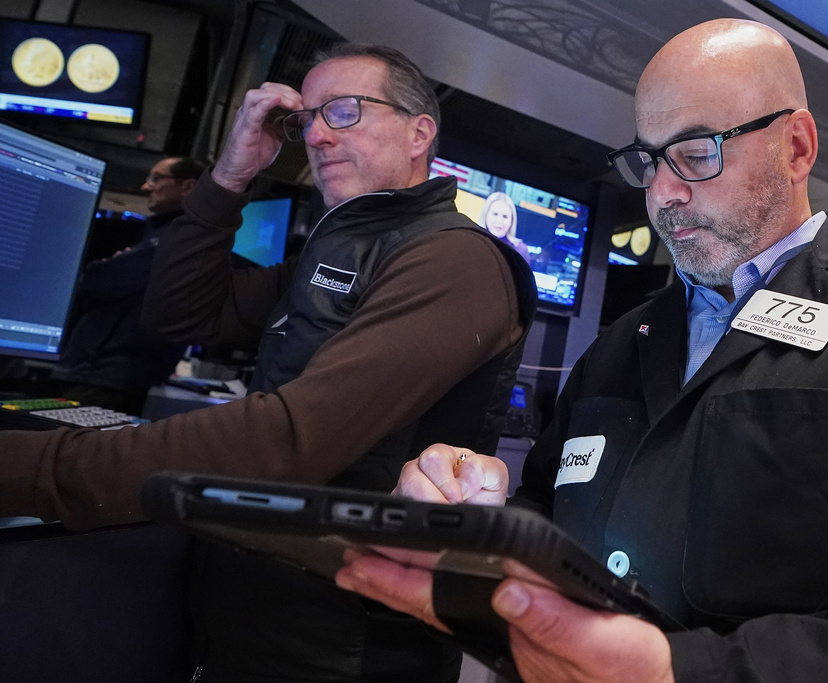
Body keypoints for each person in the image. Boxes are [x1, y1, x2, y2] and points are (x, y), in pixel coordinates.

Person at [334, 18, 828, 682]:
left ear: (797, 148)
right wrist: (473, 527)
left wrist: (684, 672)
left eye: (696, 153)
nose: (663, 192)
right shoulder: (617, 347)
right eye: (648, 160)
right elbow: (545, 536)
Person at [0, 42, 536, 682]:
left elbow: (288, 441)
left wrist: (30, 468)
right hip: (247, 604)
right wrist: (228, 178)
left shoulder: (455, 261)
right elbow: (178, 313)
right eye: (305, 119)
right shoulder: (337, 249)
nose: (316, 135)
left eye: (342, 111)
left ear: (420, 131)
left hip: (339, 642)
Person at [46, 157, 202, 415]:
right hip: (105, 376)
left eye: (156, 178)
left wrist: (105, 265)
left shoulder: (177, 237)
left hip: (104, 378)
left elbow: (96, 280)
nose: (145, 186)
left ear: (187, 187)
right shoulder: (166, 235)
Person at [480, 191, 530, 261]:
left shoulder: (521, 251)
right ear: (486, 215)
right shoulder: (473, 241)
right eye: (495, 214)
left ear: (512, 221)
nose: (499, 221)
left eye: (505, 216)